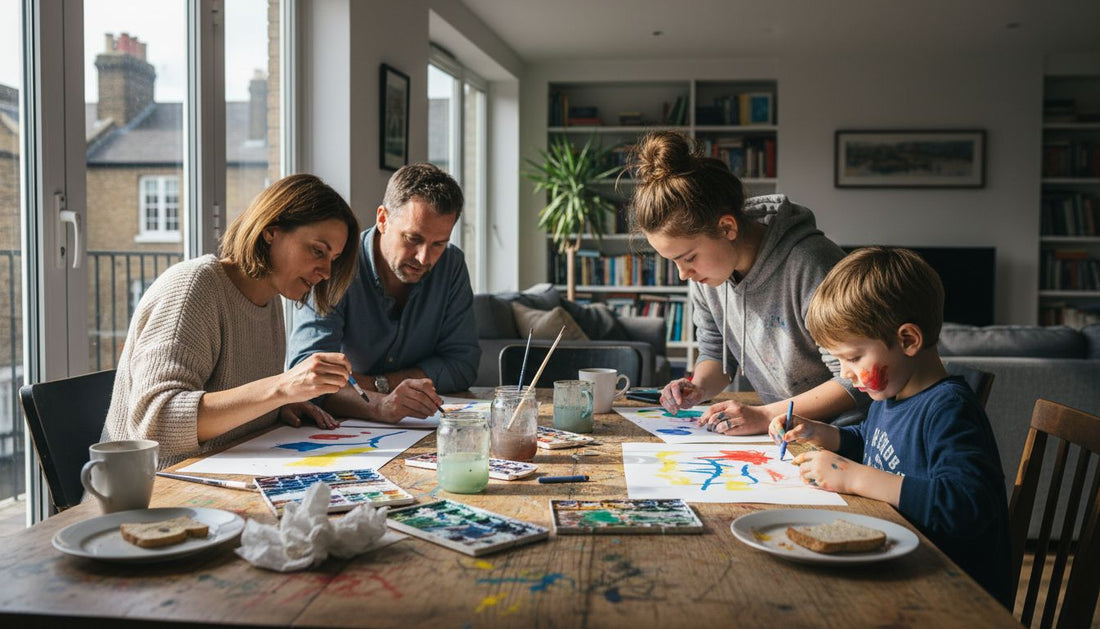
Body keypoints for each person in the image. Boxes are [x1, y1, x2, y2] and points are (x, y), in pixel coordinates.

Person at [770, 246, 1012, 607]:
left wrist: (854, 478)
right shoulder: (890, 395)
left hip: (954, 594)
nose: (847, 373)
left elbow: (966, 506)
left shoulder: (948, 408)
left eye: (853, 357)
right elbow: (873, 442)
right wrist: (824, 434)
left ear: (908, 340)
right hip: (903, 566)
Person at [104, 174, 361, 469]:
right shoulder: (194, 287)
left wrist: (278, 406)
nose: (326, 272)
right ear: (270, 231)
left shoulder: (269, 299)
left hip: (217, 477)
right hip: (152, 487)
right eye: (317, 251)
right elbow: (156, 423)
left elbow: (231, 398)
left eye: (333, 259)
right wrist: (282, 388)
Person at [629, 130, 868, 434]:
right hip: (783, 432)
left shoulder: (812, 263)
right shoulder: (707, 276)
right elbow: (716, 354)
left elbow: (855, 379)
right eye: (673, 261)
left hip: (845, 435)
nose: (682, 274)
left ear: (727, 228)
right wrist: (697, 387)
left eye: (688, 257)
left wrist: (766, 414)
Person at [287, 162, 480, 422]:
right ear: (382, 219)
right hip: (344, 428)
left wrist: (378, 384)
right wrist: (381, 404)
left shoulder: (451, 265)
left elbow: (463, 365)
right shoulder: (336, 264)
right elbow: (307, 376)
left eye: (438, 244)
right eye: (413, 239)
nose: (424, 258)